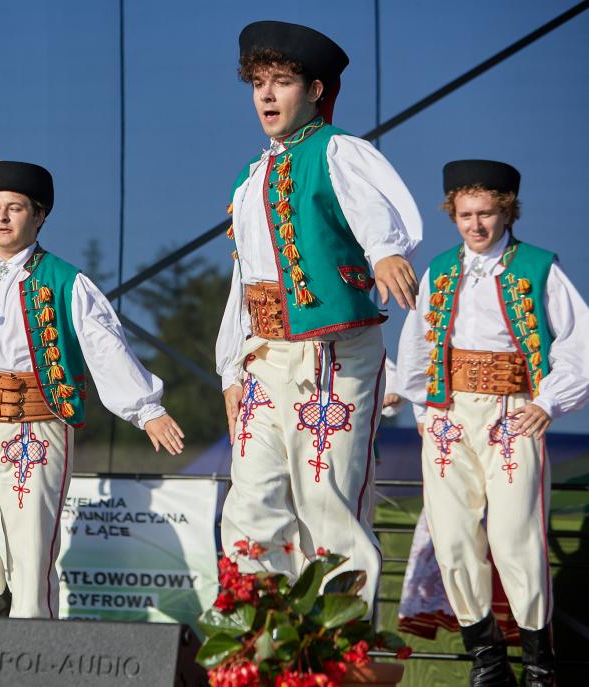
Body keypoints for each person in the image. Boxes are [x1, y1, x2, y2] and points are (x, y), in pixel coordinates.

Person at [0, 160, 184, 619]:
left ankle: (27, 648)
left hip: (37, 427)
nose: (2, 217)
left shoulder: (66, 281)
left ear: (39, 216)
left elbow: (105, 346)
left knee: (30, 555)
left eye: (15, 208)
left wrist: (147, 409)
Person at [215, 21, 421, 611]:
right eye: (258, 83)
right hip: (264, 358)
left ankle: (337, 647)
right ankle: (264, 638)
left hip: (331, 355)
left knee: (326, 503)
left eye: (281, 81)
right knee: (250, 505)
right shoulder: (250, 178)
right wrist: (231, 368)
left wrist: (384, 251)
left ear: (315, 90)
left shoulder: (335, 150)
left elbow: (377, 211)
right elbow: (245, 281)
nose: (266, 94)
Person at [395, 159, 589, 686]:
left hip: (511, 413)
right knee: (453, 537)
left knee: (513, 537)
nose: (475, 225)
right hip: (449, 415)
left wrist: (548, 402)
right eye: (465, 215)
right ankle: (487, 659)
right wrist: (423, 409)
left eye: (485, 214)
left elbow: (577, 344)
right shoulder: (440, 270)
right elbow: (416, 345)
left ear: (506, 213)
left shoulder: (539, 268)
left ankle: (540, 667)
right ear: (452, 214)